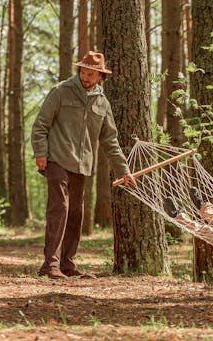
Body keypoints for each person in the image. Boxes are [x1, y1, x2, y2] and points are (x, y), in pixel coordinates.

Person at [31, 50, 137, 280]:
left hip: (82, 165)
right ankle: (50, 264)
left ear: (100, 76)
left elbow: (109, 140)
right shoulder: (61, 91)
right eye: (83, 72)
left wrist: (123, 170)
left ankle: (67, 264)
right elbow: (40, 124)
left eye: (91, 74)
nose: (86, 77)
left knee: (76, 213)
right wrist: (40, 153)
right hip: (57, 157)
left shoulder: (102, 102)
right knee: (60, 208)